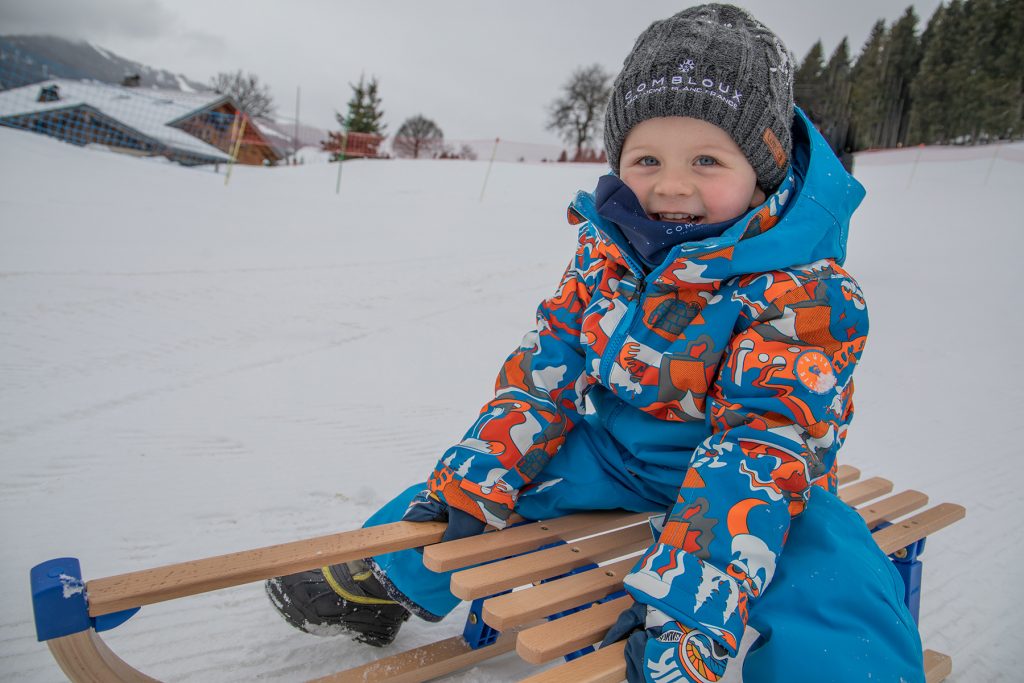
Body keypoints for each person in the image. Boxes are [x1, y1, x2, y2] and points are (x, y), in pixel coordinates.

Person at [266, 5, 925, 681]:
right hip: (617, 453)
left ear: (764, 166)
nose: (671, 185)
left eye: (706, 159)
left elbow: (760, 444)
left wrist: (689, 602)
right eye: (647, 159)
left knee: (833, 571)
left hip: (759, 472)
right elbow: (546, 369)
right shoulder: (607, 252)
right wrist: (480, 475)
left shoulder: (802, 291)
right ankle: (383, 576)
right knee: (483, 489)